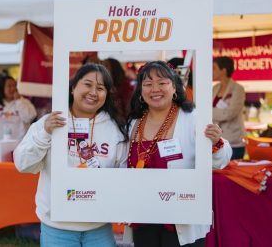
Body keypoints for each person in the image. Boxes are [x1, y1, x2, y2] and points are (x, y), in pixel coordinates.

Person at [14, 63, 128, 247]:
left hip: (98, 227)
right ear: (73, 87)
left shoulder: (114, 130)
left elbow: (123, 173)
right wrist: (45, 133)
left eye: (100, 88)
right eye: (88, 84)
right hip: (57, 227)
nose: (93, 92)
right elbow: (22, 164)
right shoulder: (49, 122)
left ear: (106, 94)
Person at [126, 61, 232, 247]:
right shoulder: (133, 123)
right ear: (141, 90)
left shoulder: (192, 118)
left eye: (162, 82)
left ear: (174, 87)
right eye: (148, 84)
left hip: (180, 220)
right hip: (142, 218)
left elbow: (221, 161)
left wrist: (216, 143)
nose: (155, 89)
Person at [0, 75, 37, 141]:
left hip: (21, 146)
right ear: (1, 88)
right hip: (0, 146)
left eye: (15, 85)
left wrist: (19, 101)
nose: (13, 88)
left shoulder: (24, 102)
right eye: (9, 86)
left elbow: (29, 118)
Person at [212, 56, 245, 160]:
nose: (211, 71)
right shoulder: (215, 88)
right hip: (216, 140)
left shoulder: (238, 89)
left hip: (233, 142)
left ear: (223, 70)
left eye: (214, 68)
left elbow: (230, 113)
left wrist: (208, 111)